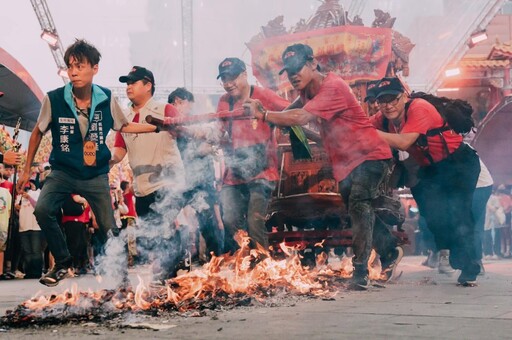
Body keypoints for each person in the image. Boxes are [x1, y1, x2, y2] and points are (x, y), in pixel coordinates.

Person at [243, 44, 401, 290]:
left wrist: (263, 114)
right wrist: (260, 114)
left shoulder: (332, 87)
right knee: (356, 210)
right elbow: (288, 113)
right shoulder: (306, 91)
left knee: (359, 205)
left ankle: (360, 272)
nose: (294, 76)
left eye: (298, 69)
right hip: (346, 162)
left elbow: (298, 117)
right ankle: (390, 251)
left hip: (370, 156)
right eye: (289, 72)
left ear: (313, 64)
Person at [16, 39, 160, 287]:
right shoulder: (55, 99)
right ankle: (62, 262)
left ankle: (120, 275)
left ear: (95, 68)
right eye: (70, 66)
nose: (73, 72)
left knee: (108, 228)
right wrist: (27, 169)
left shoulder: (106, 98)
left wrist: (155, 127)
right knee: (42, 210)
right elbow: (38, 132)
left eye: (80, 66)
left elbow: (123, 125)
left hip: (95, 174)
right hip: (62, 171)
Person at [371, 77, 481, 286]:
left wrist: (368, 133)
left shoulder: (419, 107)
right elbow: (357, 129)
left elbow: (404, 142)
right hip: (429, 169)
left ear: (404, 96)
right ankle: (452, 254)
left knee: (459, 212)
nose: (388, 105)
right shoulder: (381, 119)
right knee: (432, 216)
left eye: (393, 99)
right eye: (382, 101)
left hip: (459, 163)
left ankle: (469, 265)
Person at [111, 66, 187, 282]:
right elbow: (119, 151)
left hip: (168, 183)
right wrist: (106, 161)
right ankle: (171, 272)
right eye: (127, 83)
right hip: (142, 188)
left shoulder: (165, 110)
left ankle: (175, 270)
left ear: (148, 85)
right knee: (149, 238)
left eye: (133, 82)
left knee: (163, 229)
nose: (128, 87)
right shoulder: (124, 119)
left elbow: (185, 136)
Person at [216, 57, 289, 253]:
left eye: (232, 78)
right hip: (235, 173)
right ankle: (246, 261)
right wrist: (206, 136)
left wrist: (268, 115)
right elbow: (218, 130)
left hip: (262, 171)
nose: (228, 84)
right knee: (229, 219)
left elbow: (290, 111)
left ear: (244, 75)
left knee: (255, 221)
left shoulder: (264, 95)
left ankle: (262, 267)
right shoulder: (224, 101)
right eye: (224, 79)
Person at [169, 87, 223, 259]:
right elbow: (178, 154)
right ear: (178, 101)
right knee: (167, 223)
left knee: (208, 224)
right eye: (188, 106)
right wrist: (199, 152)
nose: (190, 111)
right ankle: (172, 263)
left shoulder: (187, 124)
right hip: (181, 181)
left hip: (198, 182)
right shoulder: (169, 122)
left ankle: (216, 261)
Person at [15, 179, 44, 279]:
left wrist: (29, 198)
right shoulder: (19, 196)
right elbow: (18, 212)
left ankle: (37, 272)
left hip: (35, 226)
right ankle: (29, 272)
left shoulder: (38, 193)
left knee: (36, 250)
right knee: (27, 251)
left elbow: (38, 206)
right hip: (23, 226)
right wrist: (17, 209)